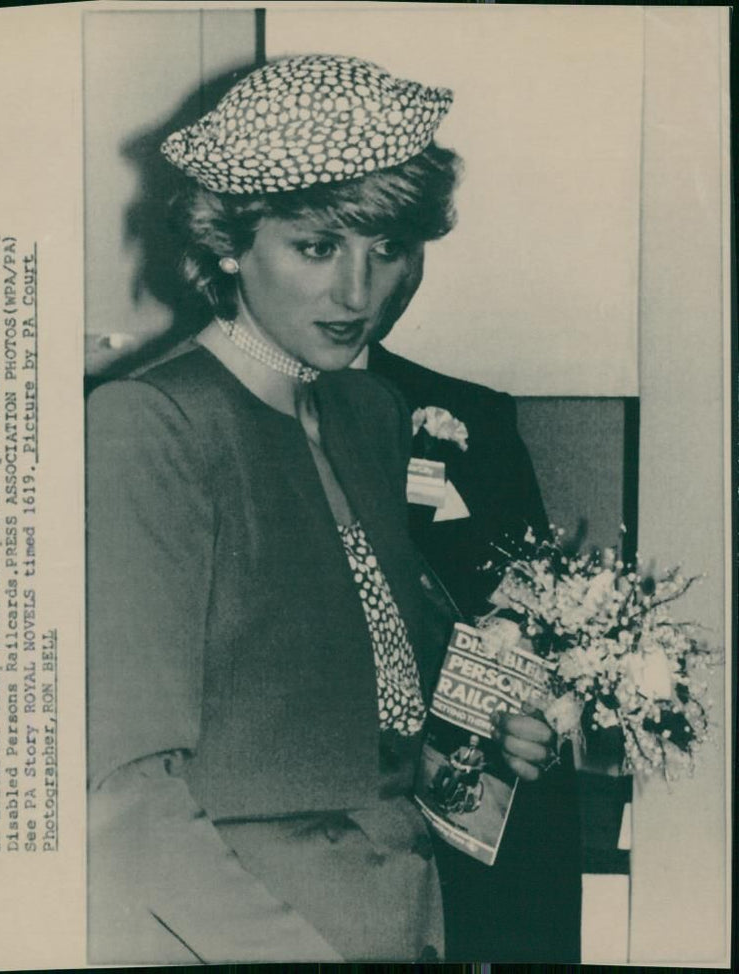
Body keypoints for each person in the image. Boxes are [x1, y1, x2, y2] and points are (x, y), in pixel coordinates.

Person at [86, 54, 562, 965]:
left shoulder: (367, 412)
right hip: (241, 935)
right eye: (318, 248)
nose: (361, 293)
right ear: (230, 240)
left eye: (388, 249)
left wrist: (475, 742)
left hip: (404, 919)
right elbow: (125, 794)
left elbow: (365, 715)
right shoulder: (153, 424)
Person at [365, 341, 583, 962]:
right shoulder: (182, 414)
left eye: (389, 248)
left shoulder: (472, 416)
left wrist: (534, 713)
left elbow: (536, 625)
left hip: (440, 827)